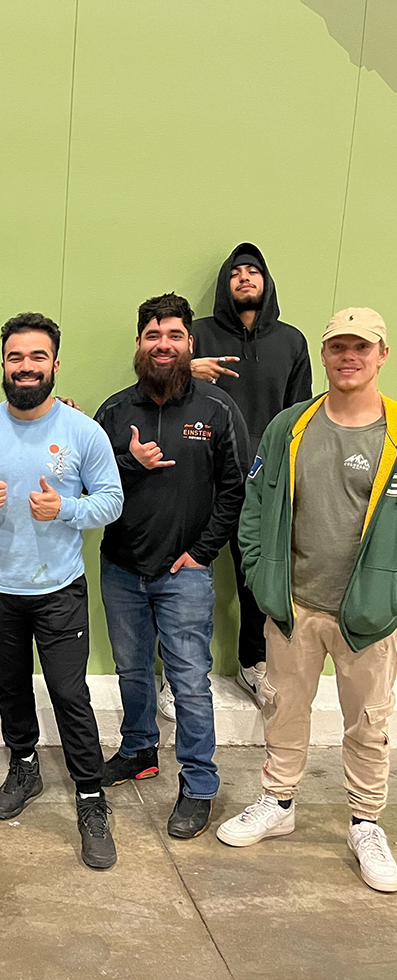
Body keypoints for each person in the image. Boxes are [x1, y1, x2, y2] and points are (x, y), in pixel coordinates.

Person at [218, 308, 397, 893]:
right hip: (294, 607)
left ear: (381, 355)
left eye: (360, 348)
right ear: (323, 355)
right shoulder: (290, 426)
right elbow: (255, 505)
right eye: (338, 347)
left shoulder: (395, 433)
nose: (349, 357)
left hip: (366, 616)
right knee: (285, 711)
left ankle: (366, 823)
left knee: (367, 723)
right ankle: (279, 801)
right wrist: (260, 575)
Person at [0, 312, 124, 869]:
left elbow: (113, 500)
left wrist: (65, 508)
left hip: (58, 590)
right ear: (3, 364)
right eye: (16, 357)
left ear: (54, 364)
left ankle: (91, 797)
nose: (26, 367)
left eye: (37, 357)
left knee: (71, 696)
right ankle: (24, 766)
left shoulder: (82, 432)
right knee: (12, 688)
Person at [94, 293, 249, 838]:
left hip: (185, 572)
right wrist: (128, 464)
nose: (164, 346)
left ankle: (200, 783)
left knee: (188, 680)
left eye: (175, 336)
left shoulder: (217, 409)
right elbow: (93, 487)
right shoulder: (114, 412)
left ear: (190, 342)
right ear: (139, 344)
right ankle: (139, 750)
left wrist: (202, 552)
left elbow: (234, 489)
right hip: (121, 568)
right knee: (131, 670)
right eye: (153, 336)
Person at [183, 243, 311, 714]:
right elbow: (157, 384)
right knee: (186, 578)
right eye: (235, 271)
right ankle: (179, 676)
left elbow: (300, 417)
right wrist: (185, 368)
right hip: (202, 479)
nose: (244, 277)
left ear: (266, 281)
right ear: (225, 283)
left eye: (252, 271)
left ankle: (253, 663)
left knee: (256, 580)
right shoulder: (196, 335)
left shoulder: (291, 342)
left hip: (264, 485)